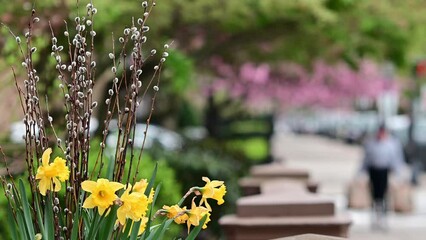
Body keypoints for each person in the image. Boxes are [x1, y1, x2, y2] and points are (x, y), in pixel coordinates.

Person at [360, 123, 406, 230]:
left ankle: (383, 219)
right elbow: (366, 159)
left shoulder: (391, 144)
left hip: (384, 172)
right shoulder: (371, 143)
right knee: (374, 197)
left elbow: (396, 159)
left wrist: (399, 174)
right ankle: (375, 219)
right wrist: (361, 173)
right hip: (373, 172)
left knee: (384, 196)